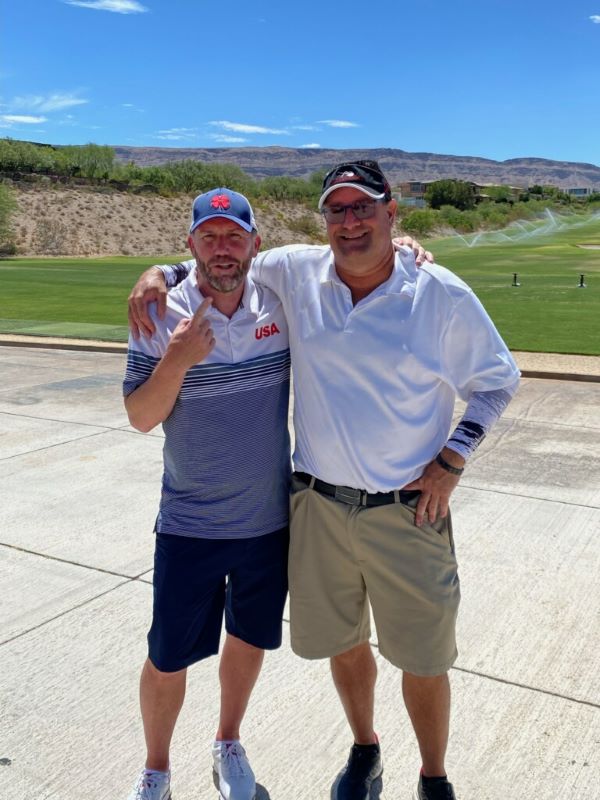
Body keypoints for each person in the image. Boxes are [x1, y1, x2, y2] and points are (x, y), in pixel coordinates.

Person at [128, 160, 520, 800]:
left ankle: (433, 776)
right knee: (344, 644)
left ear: (392, 212)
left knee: (424, 659)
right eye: (337, 209)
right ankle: (365, 749)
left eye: (364, 207)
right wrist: (160, 274)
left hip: (407, 510)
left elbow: (499, 380)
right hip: (316, 508)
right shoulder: (297, 272)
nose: (350, 221)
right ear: (324, 221)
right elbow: (219, 262)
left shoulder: (437, 292)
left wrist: (453, 460)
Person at [123, 187, 292, 800]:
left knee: (247, 639)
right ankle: (157, 769)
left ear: (255, 243)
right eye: (209, 236)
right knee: (168, 656)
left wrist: (403, 246)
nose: (223, 249)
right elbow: (141, 417)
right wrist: (176, 360)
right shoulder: (160, 312)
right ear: (190, 243)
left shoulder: (280, 300)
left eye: (234, 236)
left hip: (267, 523)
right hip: (189, 522)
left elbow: (347, 259)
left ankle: (228, 741)